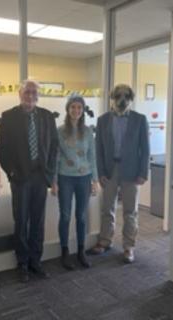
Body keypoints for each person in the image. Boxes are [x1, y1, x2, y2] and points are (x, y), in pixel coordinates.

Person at [0, 80, 58, 282]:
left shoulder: (47, 117)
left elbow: (54, 146)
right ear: (19, 93)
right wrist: (12, 173)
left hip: (40, 178)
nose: (30, 95)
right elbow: (2, 150)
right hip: (20, 178)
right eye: (27, 91)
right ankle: (22, 263)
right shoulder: (8, 117)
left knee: (38, 221)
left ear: (38, 95)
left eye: (34, 92)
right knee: (21, 220)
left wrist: (49, 174)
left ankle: (35, 261)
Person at [89, 84, 150, 263]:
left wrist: (143, 173)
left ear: (131, 99)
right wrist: (100, 172)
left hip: (132, 172)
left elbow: (145, 149)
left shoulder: (140, 120)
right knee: (107, 208)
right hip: (109, 170)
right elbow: (98, 150)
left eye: (126, 97)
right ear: (112, 99)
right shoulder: (103, 120)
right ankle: (105, 241)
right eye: (118, 96)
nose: (122, 100)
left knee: (130, 211)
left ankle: (129, 247)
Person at [51, 94, 98, 270]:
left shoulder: (87, 131)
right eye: (73, 107)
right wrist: (54, 181)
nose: (76, 110)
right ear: (68, 109)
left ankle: (80, 251)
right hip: (65, 177)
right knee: (64, 215)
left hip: (84, 177)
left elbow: (92, 156)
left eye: (79, 107)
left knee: (81, 216)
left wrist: (95, 180)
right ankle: (65, 251)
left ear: (82, 110)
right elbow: (55, 157)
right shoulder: (59, 131)